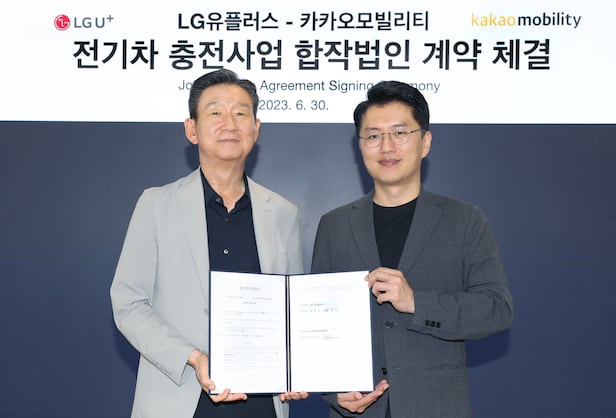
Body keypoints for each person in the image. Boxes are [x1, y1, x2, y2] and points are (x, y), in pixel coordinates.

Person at [110, 69, 307, 418]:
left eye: (241, 113)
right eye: (215, 112)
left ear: (256, 128)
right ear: (192, 129)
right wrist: (194, 357)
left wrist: (296, 367)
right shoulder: (156, 204)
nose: (229, 123)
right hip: (179, 397)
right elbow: (129, 304)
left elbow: (293, 312)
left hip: (261, 402)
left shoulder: (282, 212)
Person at [311, 81, 513, 418]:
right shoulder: (335, 225)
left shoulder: (464, 220)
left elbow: (496, 310)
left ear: (425, 142)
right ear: (360, 146)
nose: (386, 146)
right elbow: (317, 324)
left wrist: (416, 302)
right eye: (373, 136)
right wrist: (334, 392)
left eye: (400, 133)